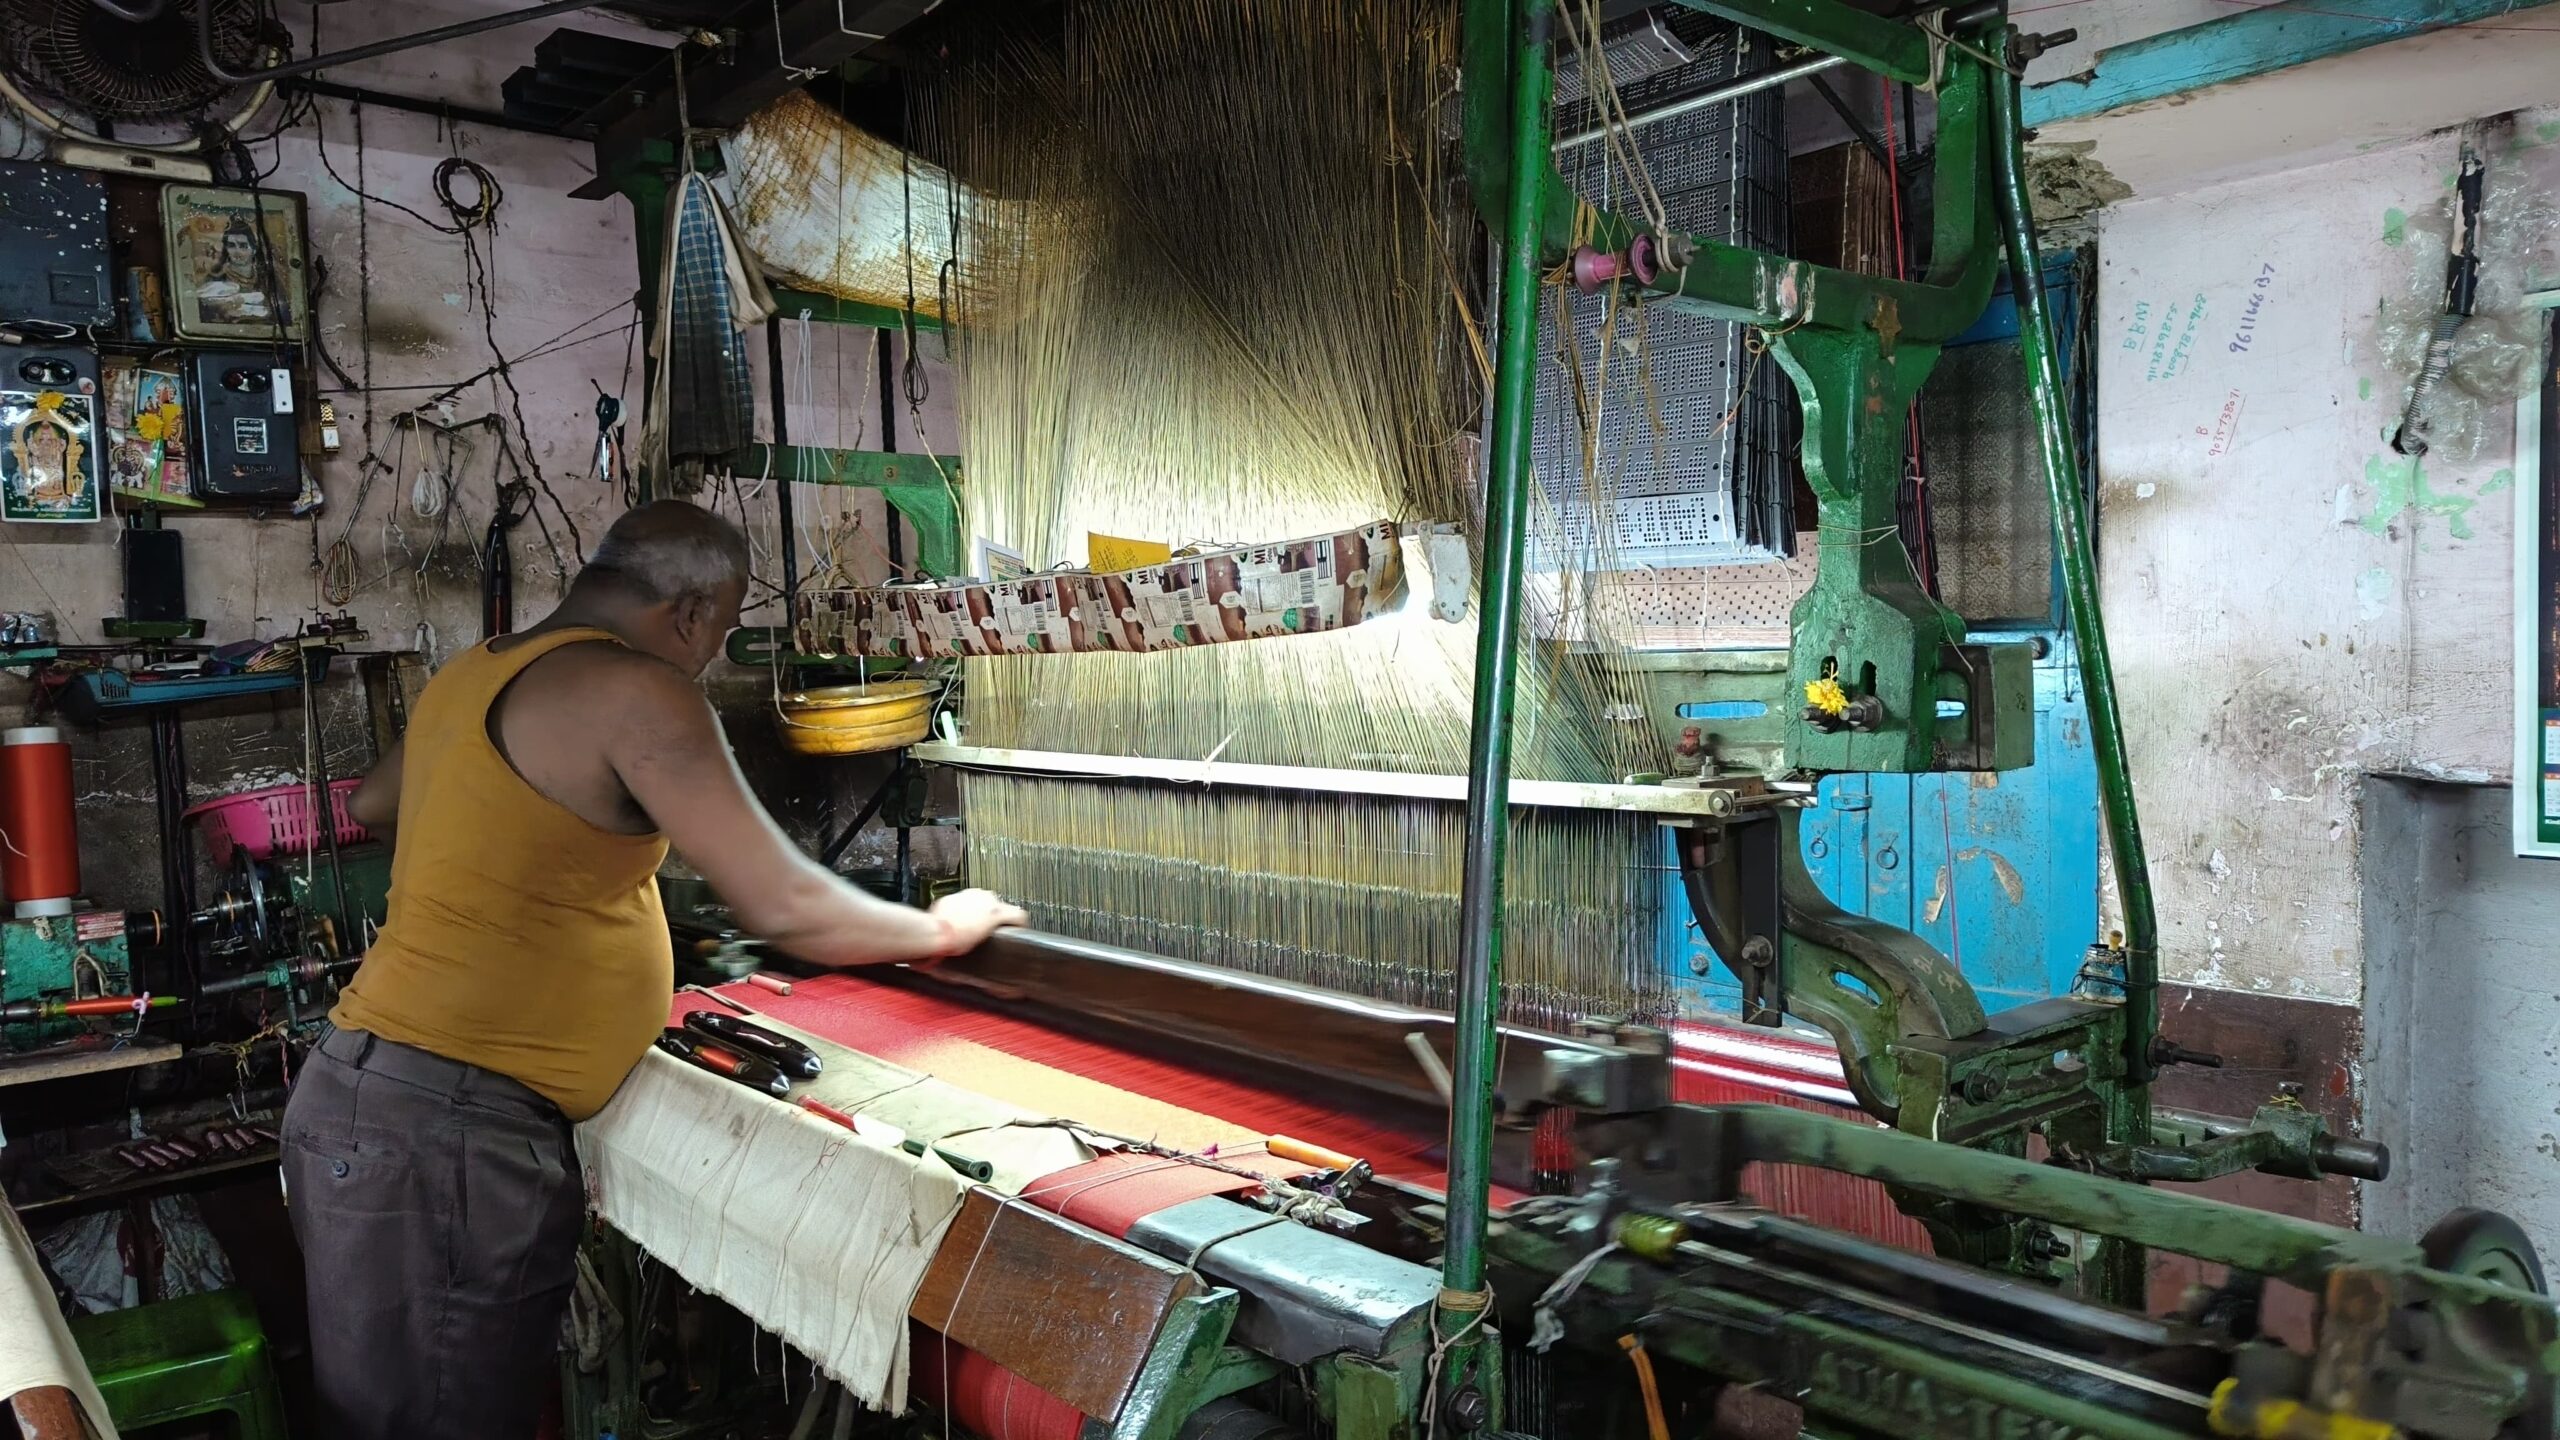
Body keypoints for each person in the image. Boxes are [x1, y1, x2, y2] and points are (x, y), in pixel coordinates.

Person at [280, 501, 1027, 1440]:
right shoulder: (637, 691)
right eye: (718, 632)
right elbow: (786, 905)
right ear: (688, 611)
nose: (709, 657)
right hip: (446, 1138)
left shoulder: (477, 674)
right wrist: (941, 929)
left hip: (378, 1106)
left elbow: (374, 799)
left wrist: (544, 867)